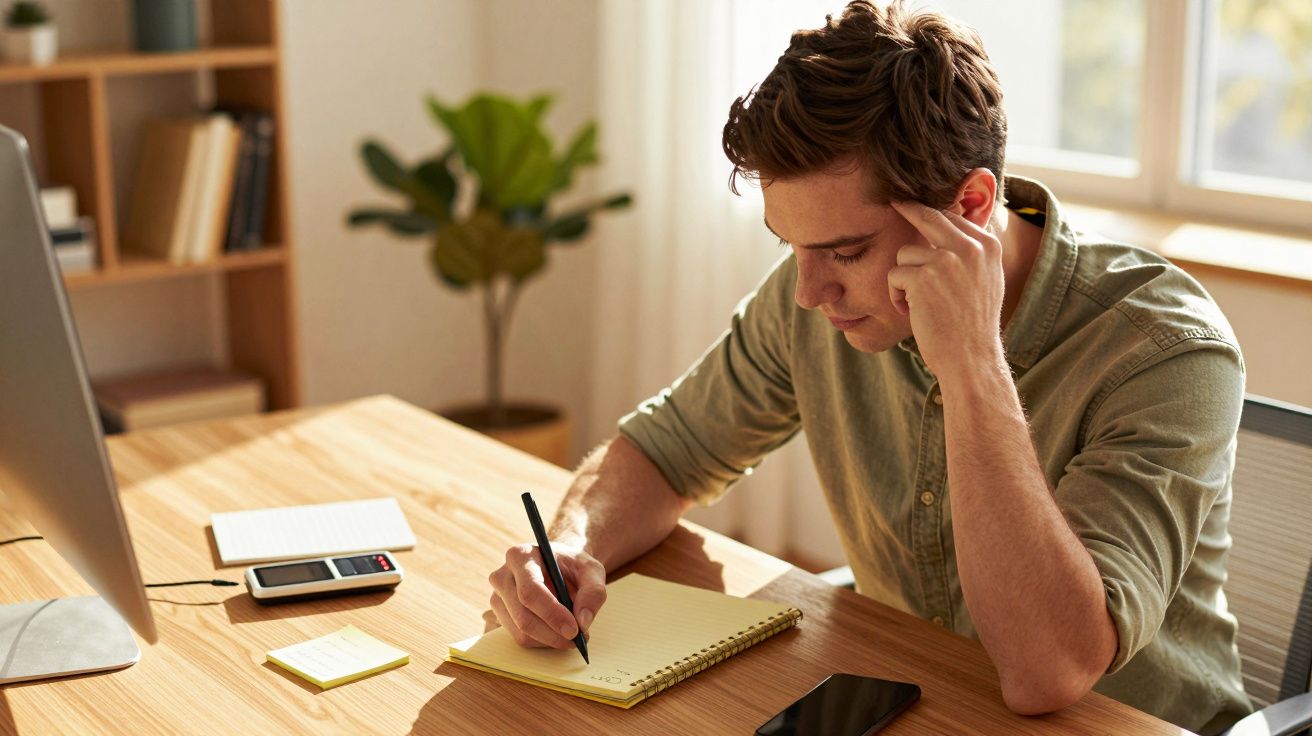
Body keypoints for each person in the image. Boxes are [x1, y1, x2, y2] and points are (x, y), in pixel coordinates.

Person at [485, 2, 1252, 732]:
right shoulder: (814, 296)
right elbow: (666, 451)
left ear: (973, 206)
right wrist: (573, 547)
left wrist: (974, 364)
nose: (811, 293)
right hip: (916, 701)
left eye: (846, 252)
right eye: (791, 248)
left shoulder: (1165, 352)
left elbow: (1049, 672)